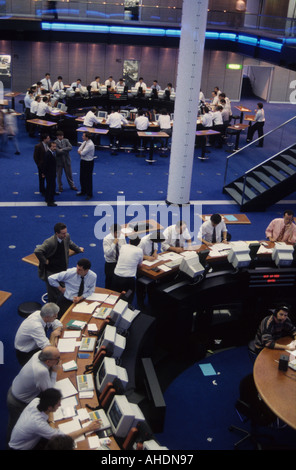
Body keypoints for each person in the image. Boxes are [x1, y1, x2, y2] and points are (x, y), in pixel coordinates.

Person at [8, 388, 102, 450]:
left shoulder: (36, 401)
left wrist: (52, 423)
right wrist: (88, 428)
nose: (60, 405)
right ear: (49, 407)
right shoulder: (38, 424)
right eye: (58, 404)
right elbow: (64, 439)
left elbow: (49, 413)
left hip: (24, 438)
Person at [6, 346, 61, 439]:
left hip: (14, 390)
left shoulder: (38, 354)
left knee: (14, 426)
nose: (59, 361)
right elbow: (49, 392)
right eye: (57, 359)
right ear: (48, 361)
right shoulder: (41, 371)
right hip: (18, 403)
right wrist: (55, 372)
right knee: (15, 430)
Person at [34, 222, 84, 303]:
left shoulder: (66, 236)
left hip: (62, 269)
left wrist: (78, 249)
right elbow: (37, 251)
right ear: (57, 233)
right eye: (63, 233)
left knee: (63, 290)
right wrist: (45, 261)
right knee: (53, 295)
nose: (65, 235)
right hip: (51, 271)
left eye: (66, 232)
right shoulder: (50, 242)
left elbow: (70, 243)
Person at [113, 237, 143, 302]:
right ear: (138, 243)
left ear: (129, 241)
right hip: (128, 280)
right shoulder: (139, 250)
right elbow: (140, 265)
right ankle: (128, 304)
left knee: (116, 295)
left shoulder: (123, 247)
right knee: (129, 294)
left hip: (116, 276)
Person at [103, 223, 126, 290]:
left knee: (120, 281)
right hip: (111, 264)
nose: (119, 234)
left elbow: (124, 247)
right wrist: (113, 244)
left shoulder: (122, 236)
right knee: (109, 283)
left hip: (120, 262)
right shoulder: (106, 239)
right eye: (118, 232)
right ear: (113, 232)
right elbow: (107, 253)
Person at [77, 131, 95, 200]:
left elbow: (83, 153)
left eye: (83, 136)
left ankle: (89, 193)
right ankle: (83, 191)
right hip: (83, 161)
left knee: (88, 178)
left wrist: (80, 152)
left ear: (87, 137)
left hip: (88, 162)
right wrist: (80, 152)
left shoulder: (90, 144)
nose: (82, 137)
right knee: (82, 177)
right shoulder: (85, 142)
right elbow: (79, 149)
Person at [43, 140, 58, 207]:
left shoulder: (51, 153)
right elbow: (45, 165)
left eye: (55, 146)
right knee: (52, 187)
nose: (55, 148)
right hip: (50, 173)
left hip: (51, 173)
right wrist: (44, 173)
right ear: (50, 147)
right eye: (53, 146)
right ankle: (50, 201)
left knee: (49, 186)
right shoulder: (48, 154)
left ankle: (47, 198)